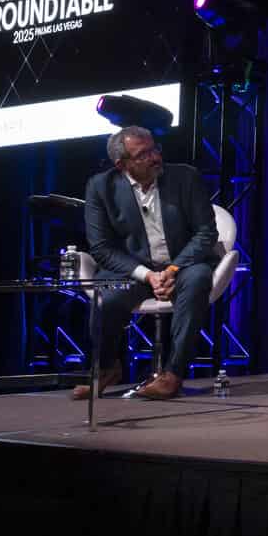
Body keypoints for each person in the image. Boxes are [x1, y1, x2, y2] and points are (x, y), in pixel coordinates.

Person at [76, 126, 219, 400]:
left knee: (199, 280)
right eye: (143, 154)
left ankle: (173, 374)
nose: (155, 158)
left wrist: (173, 269)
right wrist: (148, 275)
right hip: (134, 269)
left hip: (183, 264)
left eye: (155, 149)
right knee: (106, 299)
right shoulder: (100, 186)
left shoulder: (185, 177)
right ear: (122, 164)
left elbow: (206, 232)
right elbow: (101, 247)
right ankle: (107, 368)